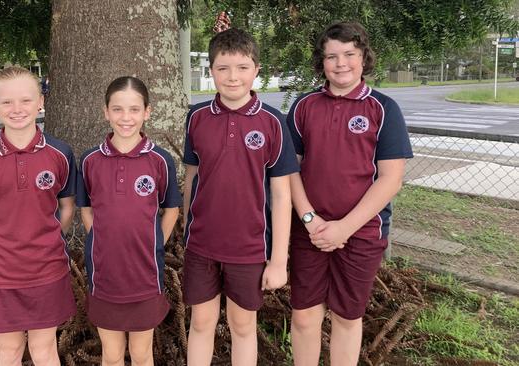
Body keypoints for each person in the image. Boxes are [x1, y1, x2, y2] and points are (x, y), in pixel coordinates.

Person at [286, 22, 413, 366]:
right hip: (307, 230)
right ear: (321, 61)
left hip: (361, 233)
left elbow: (390, 179)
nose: (341, 63)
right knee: (304, 316)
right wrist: (310, 219)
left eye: (349, 55)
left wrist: (344, 227)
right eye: (332, 56)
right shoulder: (303, 106)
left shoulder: (383, 108)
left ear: (363, 58)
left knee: (346, 317)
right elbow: (289, 170)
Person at [182, 27, 299, 366]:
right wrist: (189, 230)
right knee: (201, 323)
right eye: (223, 68)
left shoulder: (273, 123)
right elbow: (192, 177)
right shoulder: (196, 117)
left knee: (242, 324)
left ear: (256, 70)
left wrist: (278, 260)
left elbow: (281, 195)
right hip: (202, 245)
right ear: (211, 70)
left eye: (242, 67)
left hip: (248, 247)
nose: (233, 77)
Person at [0, 66, 77, 366]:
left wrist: (45, 238)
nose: (17, 109)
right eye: (7, 102)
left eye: (25, 100)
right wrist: (4, 242)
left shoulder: (60, 153)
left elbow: (66, 208)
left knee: (44, 349)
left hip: (48, 269)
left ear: (41, 101)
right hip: (1, 273)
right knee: (9, 351)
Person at [77, 76, 181, 366]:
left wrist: (154, 243)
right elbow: (86, 209)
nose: (126, 118)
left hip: (144, 274)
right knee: (111, 355)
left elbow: (171, 209)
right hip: (106, 275)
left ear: (147, 112)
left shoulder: (160, 161)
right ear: (106, 112)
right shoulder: (89, 161)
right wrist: (101, 239)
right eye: (118, 109)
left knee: (141, 353)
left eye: (134, 109)